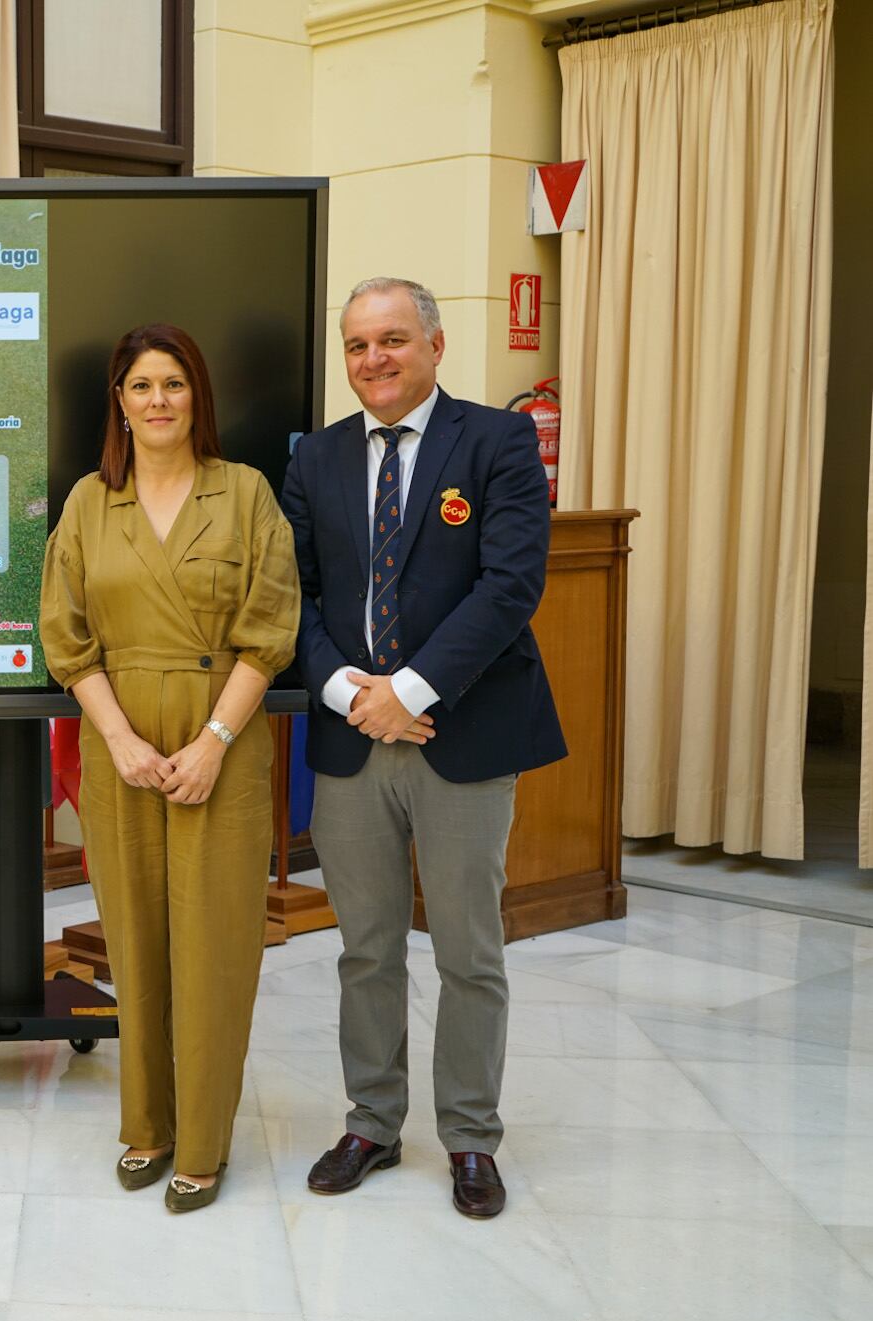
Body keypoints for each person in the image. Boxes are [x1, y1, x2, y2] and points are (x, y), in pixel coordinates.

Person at [281, 277, 564, 1219]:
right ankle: (371, 1120)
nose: (375, 360)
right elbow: (300, 597)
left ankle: (472, 1138)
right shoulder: (314, 458)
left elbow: (511, 585)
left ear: (436, 345)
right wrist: (350, 693)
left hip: (463, 733)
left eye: (393, 339)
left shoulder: (498, 441)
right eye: (358, 345)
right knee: (365, 947)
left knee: (468, 950)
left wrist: (406, 691)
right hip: (350, 734)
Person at [40, 323, 298, 1212]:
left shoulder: (248, 493)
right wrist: (118, 740)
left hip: (218, 740)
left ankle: (205, 1142)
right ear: (119, 400)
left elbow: (270, 629)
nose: (159, 400)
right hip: (122, 749)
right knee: (137, 944)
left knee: (215, 948)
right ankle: (146, 1124)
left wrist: (214, 742)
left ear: (199, 398)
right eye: (142, 385)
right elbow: (66, 638)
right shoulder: (86, 503)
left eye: (175, 384)